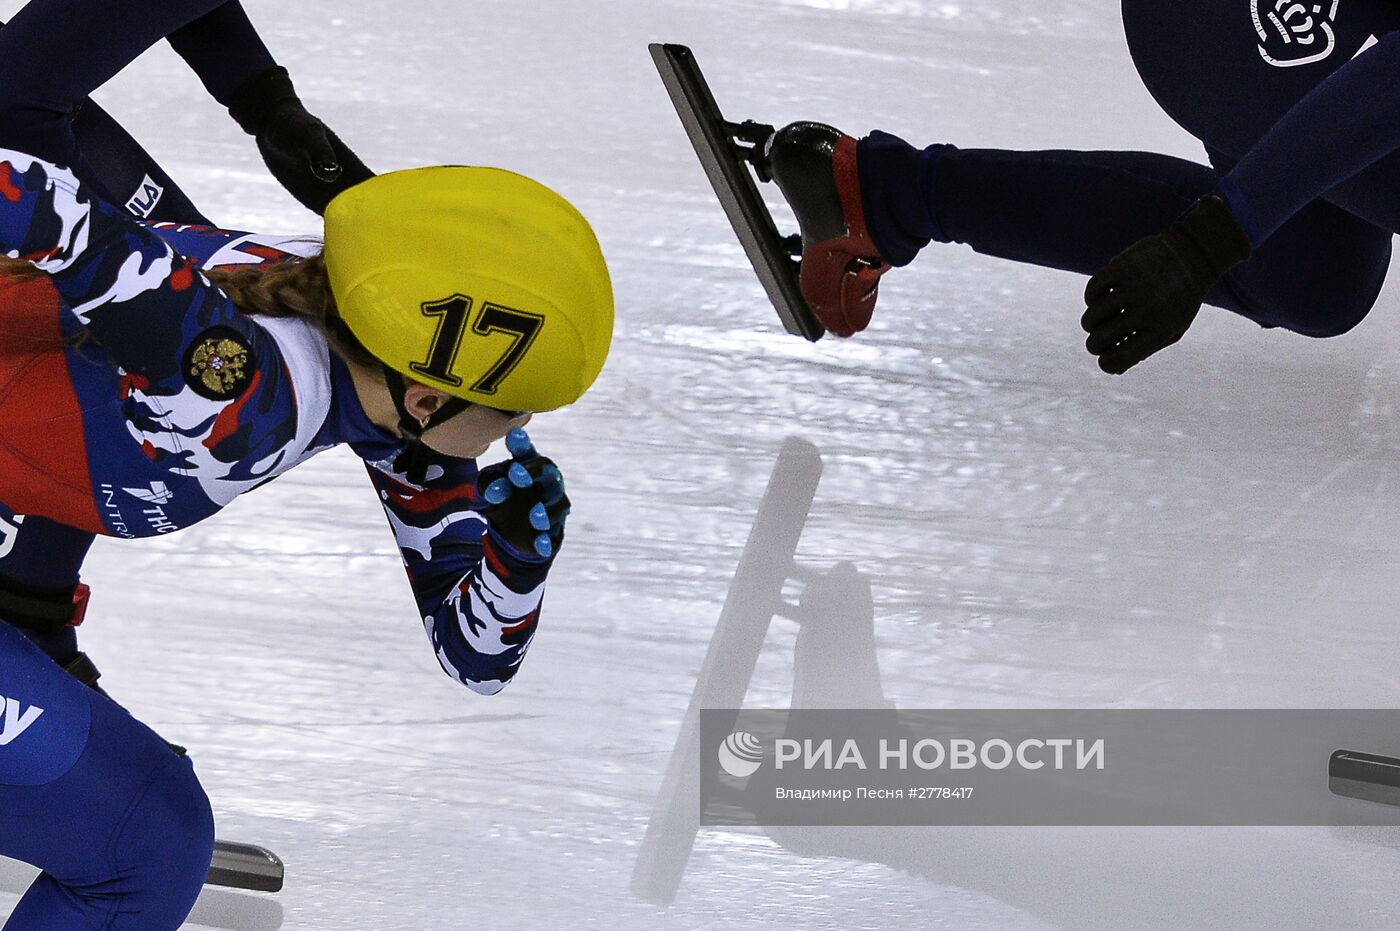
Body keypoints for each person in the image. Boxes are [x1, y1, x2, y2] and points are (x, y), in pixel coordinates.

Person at [0, 1, 612, 927]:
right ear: (427, 396)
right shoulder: (234, 396)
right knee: (147, 841)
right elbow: (28, 176)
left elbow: (474, 655)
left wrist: (515, 561)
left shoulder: (343, 316)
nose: (511, 435)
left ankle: (29, 621)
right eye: (512, 412)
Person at [764, 2, 1400, 374]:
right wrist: (1207, 239)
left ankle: (888, 197)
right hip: (1220, 27)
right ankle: (889, 196)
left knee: (1316, 274)